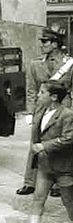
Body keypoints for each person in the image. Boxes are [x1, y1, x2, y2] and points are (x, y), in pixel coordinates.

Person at [14, 80, 73, 223]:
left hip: (64, 167)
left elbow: (69, 139)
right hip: (44, 165)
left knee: (69, 201)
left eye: (42, 93)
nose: (38, 95)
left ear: (53, 97)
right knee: (38, 198)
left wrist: (44, 146)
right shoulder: (41, 112)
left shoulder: (67, 114)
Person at [17, 27, 71, 197]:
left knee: (59, 144)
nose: (41, 45)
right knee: (35, 143)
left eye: (45, 42)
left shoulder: (69, 63)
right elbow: (31, 89)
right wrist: (31, 112)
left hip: (63, 107)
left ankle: (57, 184)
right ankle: (30, 182)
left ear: (55, 44)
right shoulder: (35, 64)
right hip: (42, 107)